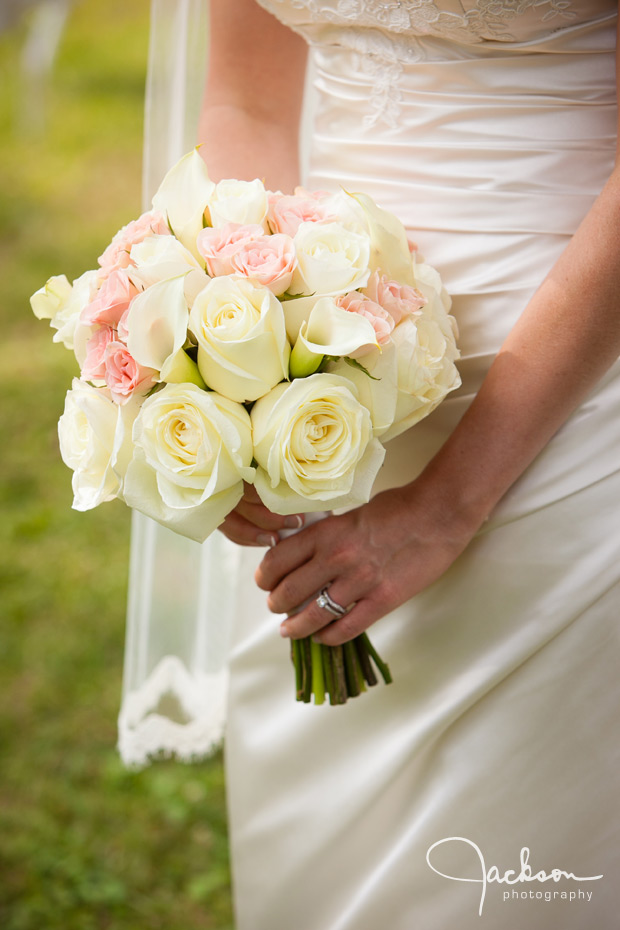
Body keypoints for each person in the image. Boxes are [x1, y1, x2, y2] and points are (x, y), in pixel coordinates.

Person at [135, 1, 620, 927]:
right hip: (327, 370)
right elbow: (251, 105)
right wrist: (241, 379)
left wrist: (446, 506)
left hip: (572, 377)